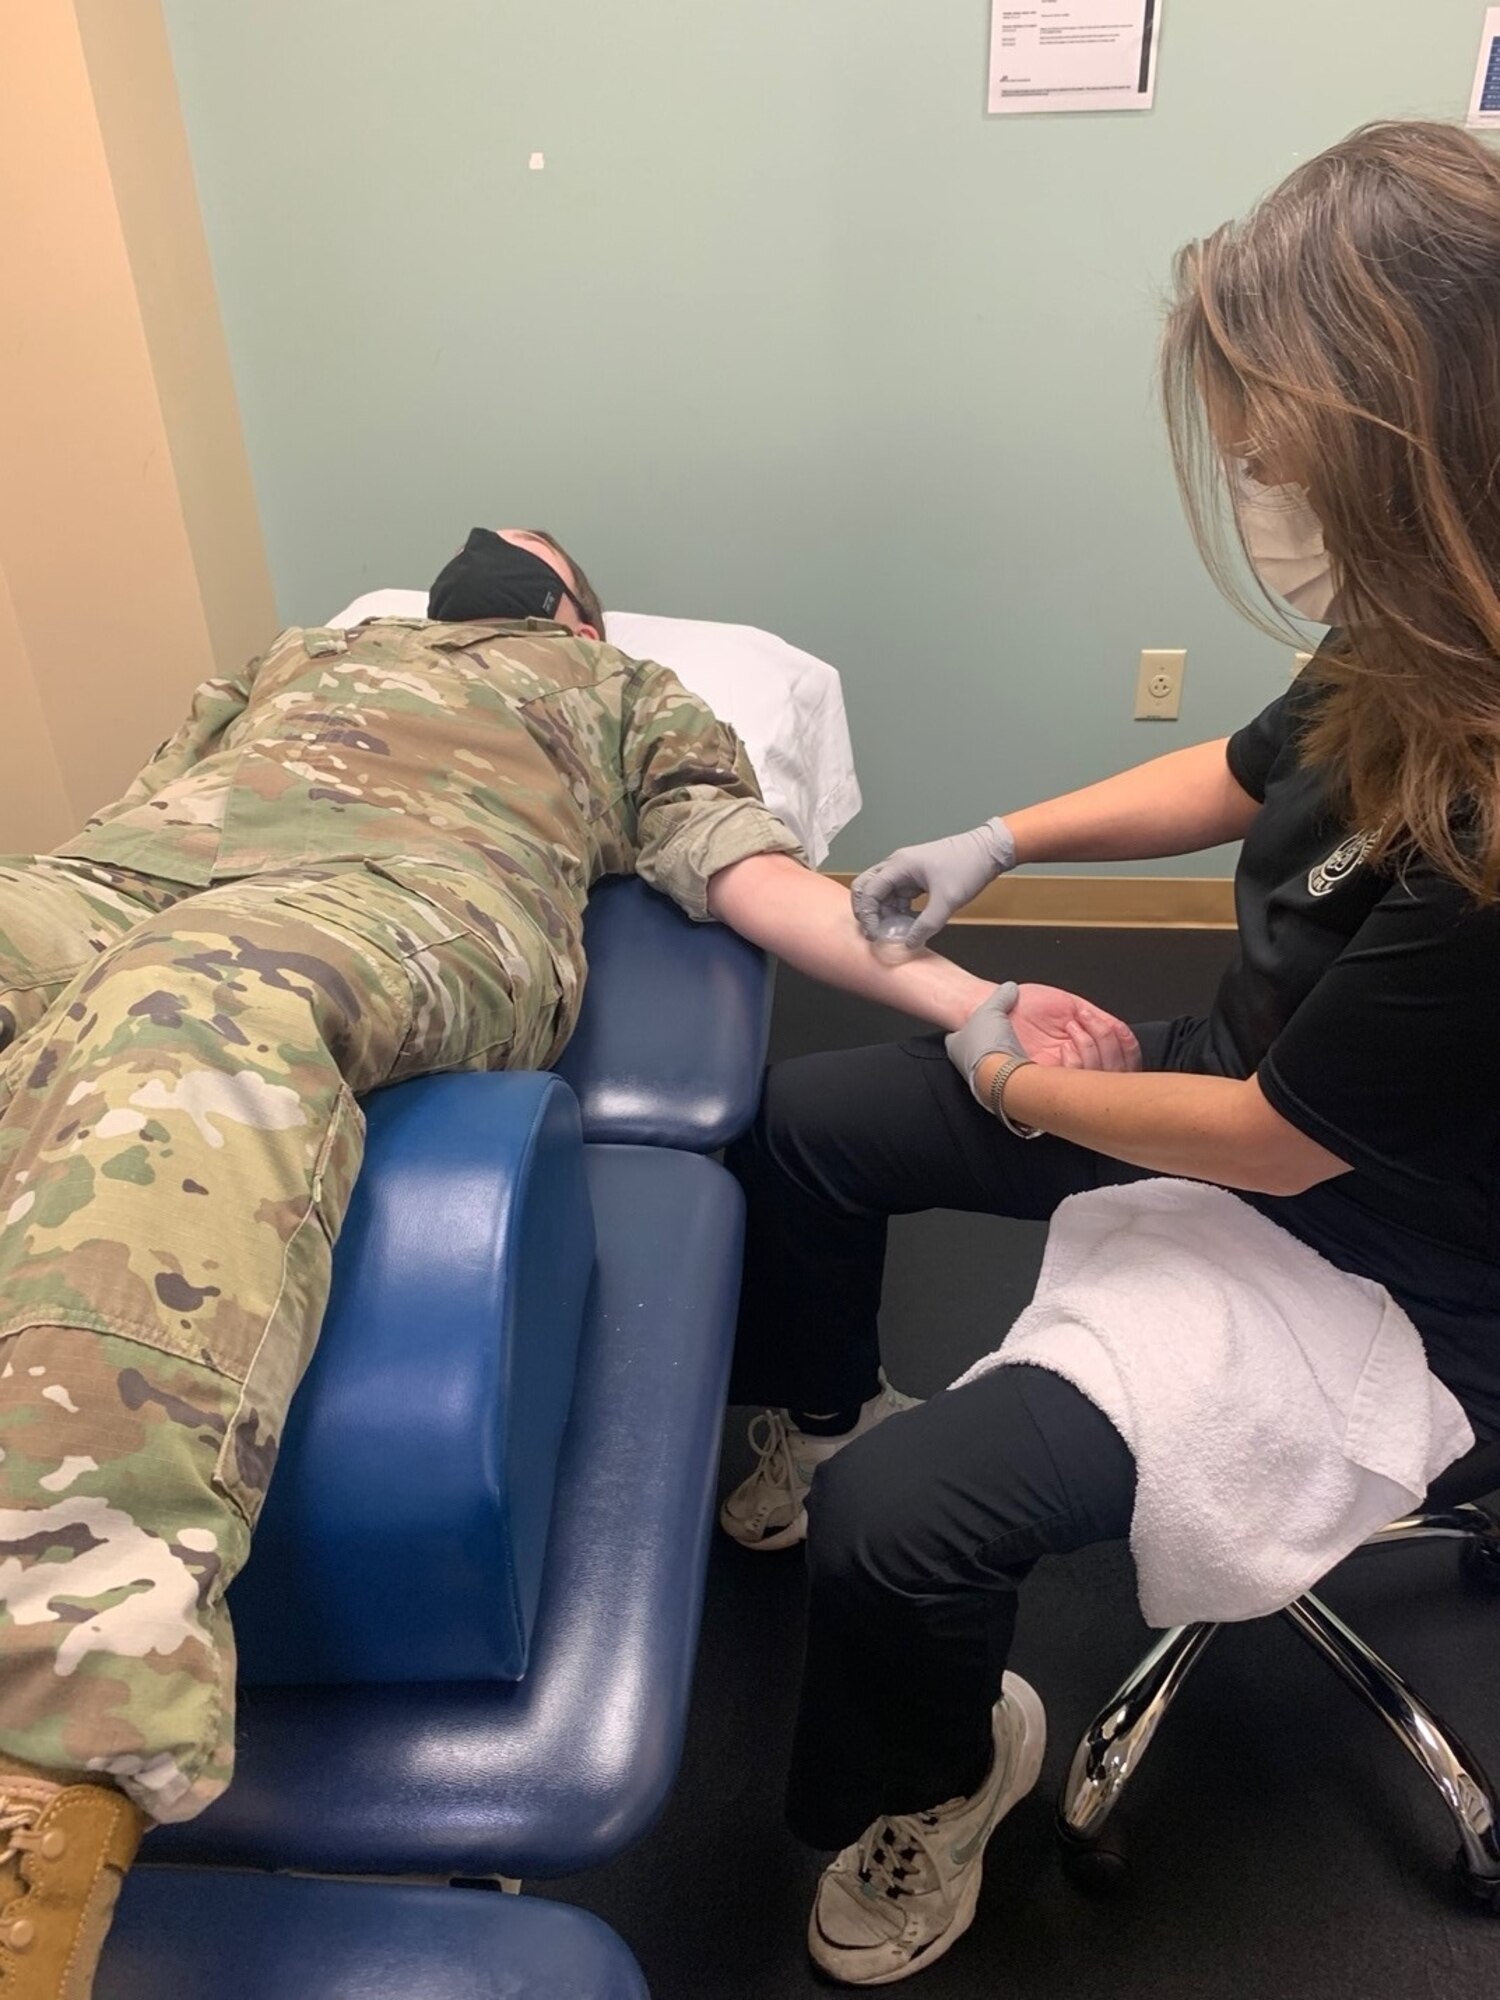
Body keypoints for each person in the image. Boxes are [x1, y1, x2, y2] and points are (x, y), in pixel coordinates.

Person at [0, 523, 1132, 1998]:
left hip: (389, 898)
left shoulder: (621, 689)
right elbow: (151, 794)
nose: (486, 547)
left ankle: (48, 1755)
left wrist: (975, 1005)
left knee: (184, 1016)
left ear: (573, 615)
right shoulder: (303, 653)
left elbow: (752, 873)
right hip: (117, 881)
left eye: (526, 554)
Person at [723, 119, 1500, 1987]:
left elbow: (1280, 1148)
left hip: (1384, 1254)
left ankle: (945, 1767)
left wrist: (1016, 1072)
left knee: (892, 1534)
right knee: (806, 1128)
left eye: (1274, 450)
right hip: (1269, 1078)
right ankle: (830, 1396)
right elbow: (1243, 768)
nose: (1252, 482)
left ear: (1416, 437)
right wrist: (1001, 839)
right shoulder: (1426, 615)